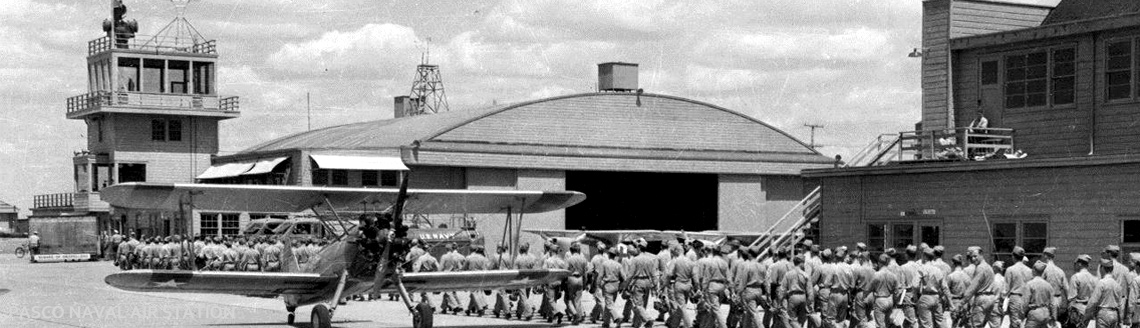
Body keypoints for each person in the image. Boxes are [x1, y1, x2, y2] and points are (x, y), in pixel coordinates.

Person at [625, 239, 660, 328]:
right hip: (648, 282)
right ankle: (636, 324)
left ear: (639, 248)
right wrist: (655, 286)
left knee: (637, 305)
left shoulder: (635, 259)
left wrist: (626, 285)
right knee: (643, 304)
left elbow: (630, 275)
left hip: (638, 282)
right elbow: (654, 274)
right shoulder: (650, 259)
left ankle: (647, 319)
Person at [962, 246, 1000, 328]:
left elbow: (973, 287)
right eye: (971, 257)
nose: (973, 259)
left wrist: (963, 301)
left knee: (976, 325)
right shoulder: (989, 267)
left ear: (981, 255)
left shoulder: (980, 268)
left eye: (975, 256)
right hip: (991, 298)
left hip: (982, 299)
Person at [1084, 258, 1125, 328]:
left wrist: (1086, 317)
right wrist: (1121, 321)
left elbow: (1093, 301)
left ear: (1102, 268)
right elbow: (1121, 305)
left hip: (1103, 314)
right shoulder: (1117, 285)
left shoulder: (1101, 283)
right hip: (1114, 314)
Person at [666, 240, 698, 328]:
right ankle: (674, 324)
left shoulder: (676, 261)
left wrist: (665, 283)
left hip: (679, 284)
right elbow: (695, 277)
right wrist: (697, 288)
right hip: (688, 285)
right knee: (681, 307)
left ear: (677, 251)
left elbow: (669, 274)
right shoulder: (691, 262)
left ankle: (688, 325)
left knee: (682, 307)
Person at [916, 247, 950, 328]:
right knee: (940, 321)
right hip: (937, 297)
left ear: (924, 256)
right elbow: (945, 287)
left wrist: (915, 296)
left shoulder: (921, 268)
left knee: (926, 324)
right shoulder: (939, 269)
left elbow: (915, 285)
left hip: (926, 296)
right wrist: (950, 303)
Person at [779, 254, 814, 328]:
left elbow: (782, 290)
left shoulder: (788, 274)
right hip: (803, 297)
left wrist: (780, 301)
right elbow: (810, 293)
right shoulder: (806, 275)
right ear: (801, 263)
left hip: (792, 297)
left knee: (792, 319)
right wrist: (809, 305)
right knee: (801, 320)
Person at [738, 246, 768, 328]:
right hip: (759, 291)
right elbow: (766, 282)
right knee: (749, 313)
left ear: (750, 254)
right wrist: (768, 294)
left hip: (750, 291)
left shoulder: (748, 266)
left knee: (754, 314)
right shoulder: (762, 266)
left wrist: (738, 293)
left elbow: (743, 282)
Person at [1006, 246, 1034, 328]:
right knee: (1023, 323)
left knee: (1015, 323)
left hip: (1015, 297)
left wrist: (1001, 303)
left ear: (1013, 256)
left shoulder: (1010, 269)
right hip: (1027, 299)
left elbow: (1006, 289)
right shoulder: (1030, 271)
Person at [870, 253, 900, 328]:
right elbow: (897, 291)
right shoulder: (893, 275)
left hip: (880, 299)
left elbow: (870, 288)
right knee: (887, 323)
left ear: (879, 263)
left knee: (880, 324)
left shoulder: (876, 274)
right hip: (890, 299)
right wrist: (895, 301)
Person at [1040, 247, 1069, 326]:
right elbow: (1066, 288)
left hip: (1047, 300)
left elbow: (1040, 285)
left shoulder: (1044, 269)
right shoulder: (1060, 271)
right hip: (1058, 300)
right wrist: (1068, 303)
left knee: (1046, 323)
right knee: (1054, 322)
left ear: (1046, 256)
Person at [598, 247, 626, 328]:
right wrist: (621, 286)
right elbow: (624, 277)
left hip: (607, 286)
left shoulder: (605, 264)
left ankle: (617, 318)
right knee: (609, 304)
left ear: (609, 254)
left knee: (609, 305)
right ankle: (606, 323)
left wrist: (599, 284)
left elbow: (600, 276)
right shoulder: (619, 265)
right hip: (616, 286)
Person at [1067, 254, 1098, 328]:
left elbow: (1072, 298)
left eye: (1075, 264)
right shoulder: (1094, 278)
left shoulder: (1075, 277)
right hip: (1089, 311)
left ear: (1079, 264)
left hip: (1078, 311)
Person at [1023, 261, 1056, 328]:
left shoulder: (1029, 284)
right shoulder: (1048, 285)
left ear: (1033, 270)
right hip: (1045, 313)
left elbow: (1025, 303)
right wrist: (1054, 317)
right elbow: (1053, 304)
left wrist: (1022, 315)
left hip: (1034, 313)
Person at [564, 243, 590, 325]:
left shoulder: (569, 259)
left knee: (569, 299)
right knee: (578, 300)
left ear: (571, 250)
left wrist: (564, 282)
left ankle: (575, 315)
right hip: (580, 279)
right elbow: (586, 273)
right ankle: (579, 317)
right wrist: (585, 283)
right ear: (579, 250)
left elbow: (565, 271)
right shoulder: (583, 259)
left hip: (571, 278)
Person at [513, 243, 539, 320]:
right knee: (525, 296)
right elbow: (535, 270)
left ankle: (528, 312)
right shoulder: (532, 258)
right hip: (529, 279)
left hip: (521, 279)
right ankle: (519, 311)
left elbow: (515, 271)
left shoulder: (518, 258)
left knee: (523, 297)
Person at [464, 246, 493, 316]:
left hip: (472, 277)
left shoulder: (469, 257)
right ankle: (469, 309)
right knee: (476, 293)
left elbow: (464, 268)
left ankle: (480, 309)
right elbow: (486, 269)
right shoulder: (484, 259)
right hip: (481, 278)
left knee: (474, 293)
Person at [946, 254, 971, 328]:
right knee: (964, 324)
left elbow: (946, 291)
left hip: (955, 302)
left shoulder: (951, 276)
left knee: (954, 324)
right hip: (965, 303)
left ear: (953, 263)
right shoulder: (967, 276)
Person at [439, 244, 465, 314]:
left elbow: (441, 267)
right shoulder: (456, 257)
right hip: (453, 275)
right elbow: (460, 267)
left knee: (448, 292)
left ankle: (455, 306)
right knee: (451, 292)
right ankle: (444, 308)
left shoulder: (444, 256)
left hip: (446, 275)